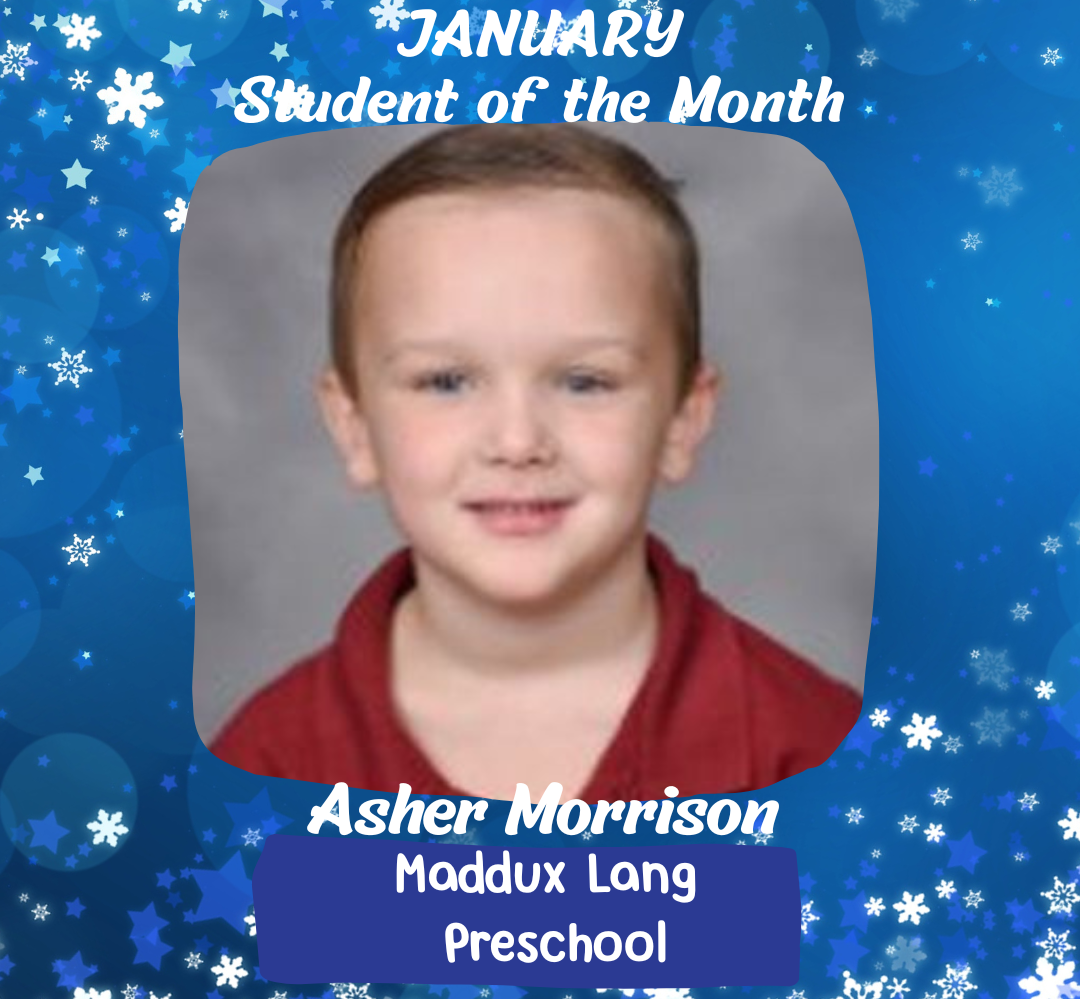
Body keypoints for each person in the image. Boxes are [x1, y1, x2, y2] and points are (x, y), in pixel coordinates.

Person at [210, 124, 862, 803]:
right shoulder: (262, 767)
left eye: (585, 382)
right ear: (355, 428)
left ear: (682, 419)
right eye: (445, 382)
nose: (517, 442)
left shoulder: (818, 751)